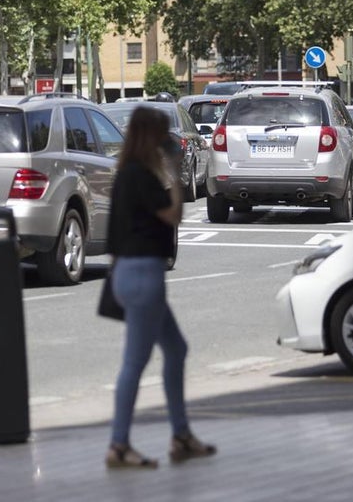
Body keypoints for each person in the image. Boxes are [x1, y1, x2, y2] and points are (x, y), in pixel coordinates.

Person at [104, 106, 216, 470]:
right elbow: (174, 215)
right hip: (143, 275)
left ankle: (181, 435)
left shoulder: (126, 173)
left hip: (130, 273)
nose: (166, 140)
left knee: (176, 349)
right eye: (162, 134)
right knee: (134, 363)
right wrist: (174, 174)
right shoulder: (140, 175)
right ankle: (119, 444)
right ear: (150, 136)